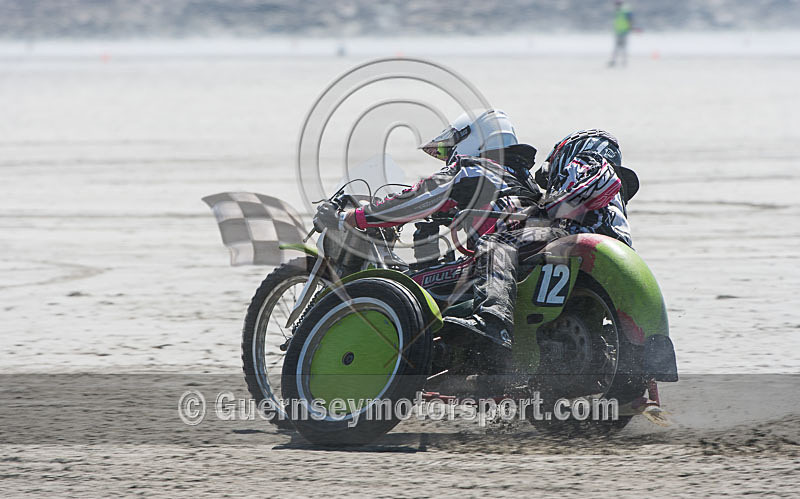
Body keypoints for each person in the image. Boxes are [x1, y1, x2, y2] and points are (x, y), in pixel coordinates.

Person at [314, 112, 635, 373]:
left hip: (506, 252)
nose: (446, 159)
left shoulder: (473, 170)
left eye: (446, 150)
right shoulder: (526, 183)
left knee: (417, 280)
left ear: (472, 140)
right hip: (537, 253)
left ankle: (490, 325)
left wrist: (353, 218)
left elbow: (417, 198)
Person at [608, 1, 634, 67]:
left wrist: (630, 27)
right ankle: (614, 61)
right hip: (618, 32)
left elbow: (630, 20)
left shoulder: (625, 12)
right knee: (617, 47)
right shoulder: (617, 12)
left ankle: (623, 61)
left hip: (624, 32)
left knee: (622, 47)